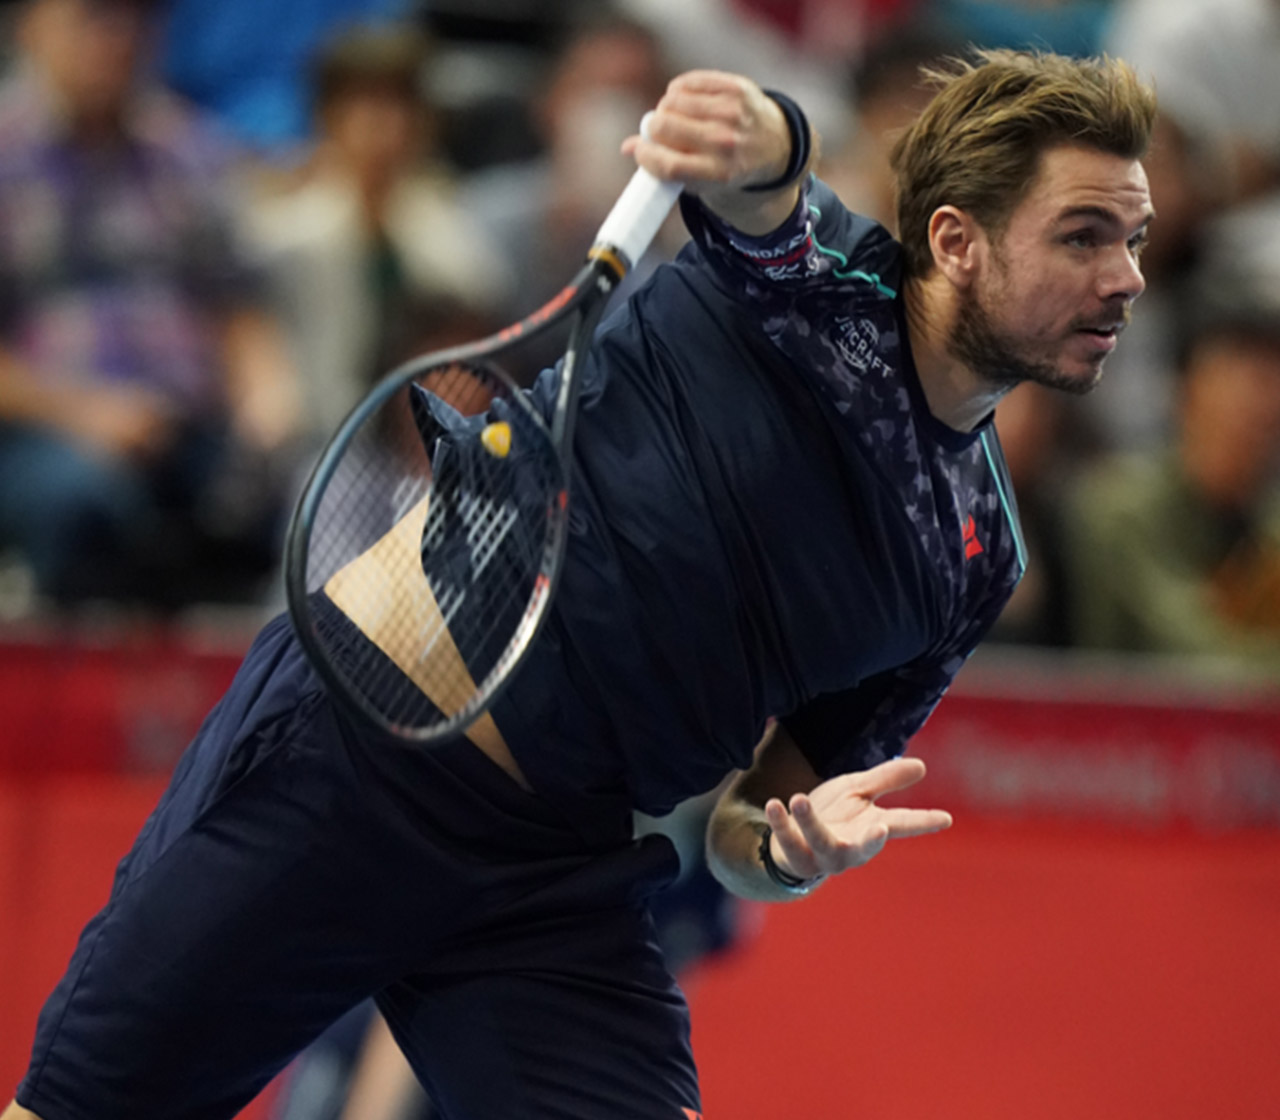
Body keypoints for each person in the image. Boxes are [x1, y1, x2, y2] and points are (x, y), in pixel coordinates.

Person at [4, 47, 1156, 1120]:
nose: (1125, 278)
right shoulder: (825, 285)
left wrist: (787, 853)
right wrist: (754, 126)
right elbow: (765, 182)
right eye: (1083, 236)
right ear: (955, 240)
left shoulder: (972, 556)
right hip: (353, 754)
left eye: (1135, 240)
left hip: (550, 865)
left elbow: (748, 824)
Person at [0, 0, 301, 606]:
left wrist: (267, 403)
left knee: (290, 498)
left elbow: (239, 308)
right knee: (86, 505)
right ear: (30, 28)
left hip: (186, 429)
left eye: (133, 19)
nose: (117, 37)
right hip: (40, 431)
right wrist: (84, 412)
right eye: (94, 17)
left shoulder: (189, 151)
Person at [1061, 272, 1280, 670]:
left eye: (1272, 376)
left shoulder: (1269, 525)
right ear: (1184, 387)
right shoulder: (1121, 510)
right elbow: (1199, 663)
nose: (1261, 399)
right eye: (1242, 372)